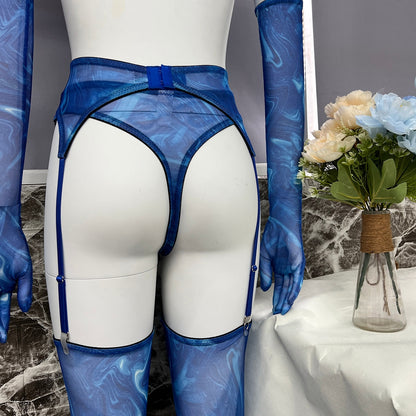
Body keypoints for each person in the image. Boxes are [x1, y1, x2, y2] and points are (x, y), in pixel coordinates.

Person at [0, 0, 305, 414]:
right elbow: (285, 47)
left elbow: (9, 40)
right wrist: (286, 210)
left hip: (100, 148)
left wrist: (4, 215)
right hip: (219, 154)